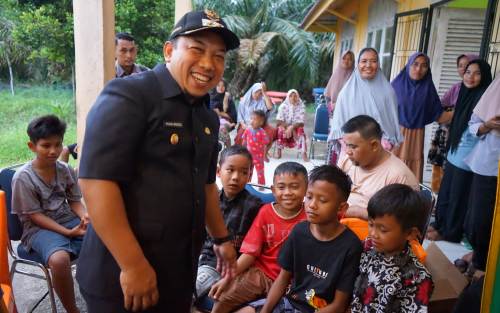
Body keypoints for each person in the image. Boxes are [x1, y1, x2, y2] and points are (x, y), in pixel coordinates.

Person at [76, 10, 241, 312]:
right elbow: (95, 181)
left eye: (219, 56)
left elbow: (205, 184)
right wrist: (133, 265)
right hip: (121, 275)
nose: (208, 64)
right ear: (169, 50)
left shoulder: (206, 116)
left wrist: (222, 238)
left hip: (177, 271)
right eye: (197, 49)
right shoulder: (131, 96)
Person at [259, 165, 362, 313]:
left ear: (341, 208)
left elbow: (339, 305)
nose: (312, 205)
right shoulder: (299, 231)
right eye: (309, 197)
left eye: (323, 200)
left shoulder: (351, 246)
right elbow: (282, 279)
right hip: (289, 304)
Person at [11, 115, 87, 313]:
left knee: (105, 237)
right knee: (59, 260)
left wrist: (85, 217)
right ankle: (73, 310)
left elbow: (74, 200)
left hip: (67, 219)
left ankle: (102, 293)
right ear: (32, 146)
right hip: (37, 229)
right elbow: (35, 216)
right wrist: (67, 232)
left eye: (58, 144)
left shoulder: (65, 169)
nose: (53, 151)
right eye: (46, 145)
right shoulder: (23, 178)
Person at [209, 162, 308, 313]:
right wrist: (228, 278)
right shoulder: (266, 212)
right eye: (281, 187)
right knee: (223, 296)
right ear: (273, 190)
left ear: (306, 189)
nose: (287, 192)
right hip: (261, 273)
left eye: (294, 187)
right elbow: (250, 252)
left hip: (292, 282)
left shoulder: (312, 215)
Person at [426, 59, 492, 243]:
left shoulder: (483, 97)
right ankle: (440, 224)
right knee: (446, 192)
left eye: (477, 73)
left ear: (484, 76)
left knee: (458, 197)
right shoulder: (464, 92)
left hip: (469, 157)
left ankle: (450, 232)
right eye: (468, 72)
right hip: (456, 153)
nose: (470, 77)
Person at [350, 184, 433, 312]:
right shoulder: (367, 247)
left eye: (383, 230)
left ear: (410, 233)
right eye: (371, 224)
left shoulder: (417, 278)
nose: (373, 234)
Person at [195, 145, 263, 301]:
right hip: (198, 258)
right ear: (218, 172)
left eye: (244, 172)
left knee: (188, 291)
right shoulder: (210, 201)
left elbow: (253, 248)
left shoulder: (255, 206)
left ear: (250, 175)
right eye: (230, 170)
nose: (235, 177)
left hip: (221, 265)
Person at [327, 48, 402, 165]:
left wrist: (375, 150)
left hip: (379, 155)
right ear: (358, 64)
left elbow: (390, 128)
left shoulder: (388, 93)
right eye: (364, 61)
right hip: (351, 155)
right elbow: (340, 128)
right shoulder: (346, 93)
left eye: (373, 61)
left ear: (378, 64)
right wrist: (356, 148)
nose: (368, 65)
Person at [339, 115, 418, 220]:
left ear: (374, 145)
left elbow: (398, 221)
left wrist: (359, 212)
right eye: (346, 145)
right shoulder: (348, 161)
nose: (348, 151)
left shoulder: (399, 177)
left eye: (353, 147)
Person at [391, 52, 452, 182]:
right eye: (415, 64)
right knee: (391, 169)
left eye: (424, 66)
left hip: (416, 137)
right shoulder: (395, 86)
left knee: (410, 175)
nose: (418, 69)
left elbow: (439, 115)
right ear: (408, 65)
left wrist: (461, 111)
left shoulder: (428, 89)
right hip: (394, 135)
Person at [463, 75, 500, 273]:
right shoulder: (495, 91)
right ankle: (479, 260)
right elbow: (473, 124)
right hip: (488, 164)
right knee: (480, 218)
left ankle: (485, 264)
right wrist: (488, 126)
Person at [427, 54, 479, 192]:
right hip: (446, 135)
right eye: (460, 66)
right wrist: (452, 112)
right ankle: (437, 197)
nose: (463, 69)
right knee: (440, 169)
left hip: (464, 141)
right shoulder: (456, 88)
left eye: (467, 65)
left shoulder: (481, 93)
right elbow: (440, 108)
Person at [235, 82, 276, 160]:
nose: (258, 94)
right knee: (240, 135)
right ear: (252, 91)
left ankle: (264, 153)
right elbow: (240, 116)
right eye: (256, 92)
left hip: (261, 124)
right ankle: (241, 152)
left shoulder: (264, 100)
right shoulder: (244, 101)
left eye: (260, 93)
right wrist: (245, 125)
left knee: (271, 132)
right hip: (246, 123)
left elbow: (270, 107)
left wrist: (264, 92)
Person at [275, 89, 308, 161]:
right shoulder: (283, 106)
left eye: (295, 96)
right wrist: (289, 128)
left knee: (301, 130)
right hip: (285, 127)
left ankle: (304, 154)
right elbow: (278, 121)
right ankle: (279, 153)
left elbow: (301, 122)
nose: (293, 98)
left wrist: (292, 128)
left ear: (298, 97)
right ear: (288, 97)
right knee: (280, 129)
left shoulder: (301, 106)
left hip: (296, 127)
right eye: (291, 96)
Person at [242, 110, 271, 186]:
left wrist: (265, 156)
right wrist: (242, 151)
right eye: (251, 118)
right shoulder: (247, 130)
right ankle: (247, 185)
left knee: (260, 172)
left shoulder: (262, 132)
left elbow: (265, 145)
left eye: (254, 119)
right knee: (248, 171)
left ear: (261, 122)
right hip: (248, 156)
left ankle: (261, 186)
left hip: (259, 157)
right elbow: (244, 141)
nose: (252, 121)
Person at [324, 50, 355, 114]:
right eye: (344, 58)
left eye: (349, 59)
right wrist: (330, 113)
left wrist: (338, 105)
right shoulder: (335, 76)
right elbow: (328, 97)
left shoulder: (355, 78)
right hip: (334, 113)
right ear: (340, 60)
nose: (346, 61)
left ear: (353, 62)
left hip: (348, 113)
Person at [210, 80, 238, 147]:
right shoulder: (210, 96)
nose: (221, 88)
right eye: (218, 85)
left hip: (226, 123)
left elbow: (233, 116)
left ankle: (228, 151)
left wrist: (219, 113)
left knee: (223, 131)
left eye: (223, 86)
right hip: (211, 121)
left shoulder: (229, 99)